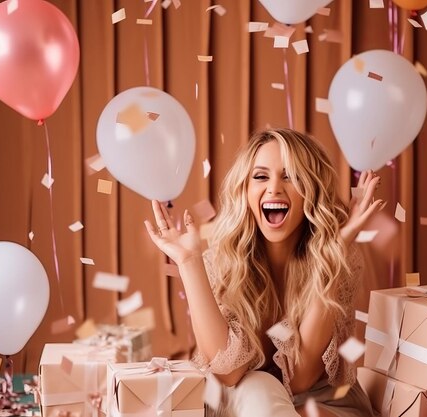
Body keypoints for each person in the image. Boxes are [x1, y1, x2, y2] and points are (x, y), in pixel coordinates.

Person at [145, 128, 383, 417]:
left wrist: (337, 251)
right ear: (244, 190)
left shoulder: (339, 259)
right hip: (242, 401)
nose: (274, 188)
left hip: (319, 402)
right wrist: (189, 262)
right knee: (257, 389)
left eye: (291, 176)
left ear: (313, 189)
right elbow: (229, 374)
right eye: (260, 176)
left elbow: (300, 380)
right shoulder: (219, 261)